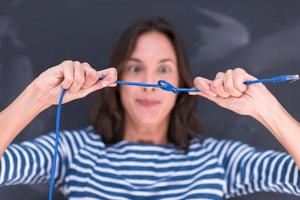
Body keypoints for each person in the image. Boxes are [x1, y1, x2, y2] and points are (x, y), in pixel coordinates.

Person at [0, 18, 299, 200]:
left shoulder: (221, 159)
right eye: (135, 67)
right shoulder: (71, 151)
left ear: (181, 81)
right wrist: (37, 96)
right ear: (117, 78)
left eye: (164, 69)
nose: (149, 84)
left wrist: (265, 109)